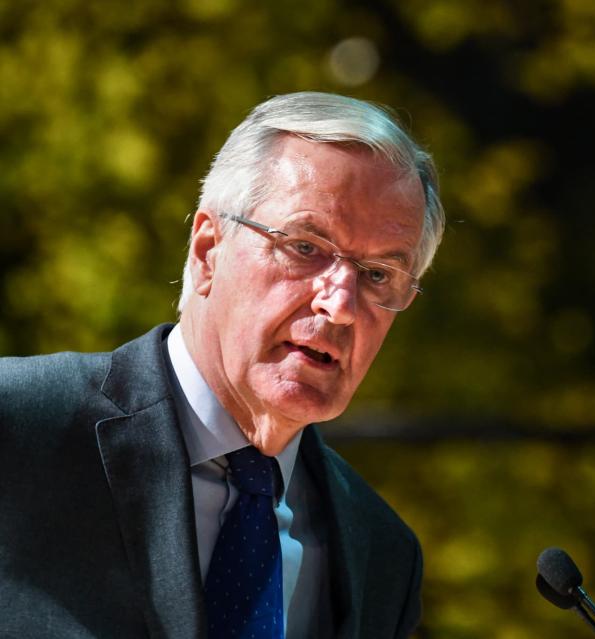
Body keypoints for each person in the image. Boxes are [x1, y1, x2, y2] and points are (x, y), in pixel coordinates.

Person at [0, 91, 444, 639]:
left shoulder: (383, 554)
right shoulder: (18, 428)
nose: (341, 304)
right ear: (208, 250)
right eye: (306, 247)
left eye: (378, 275)